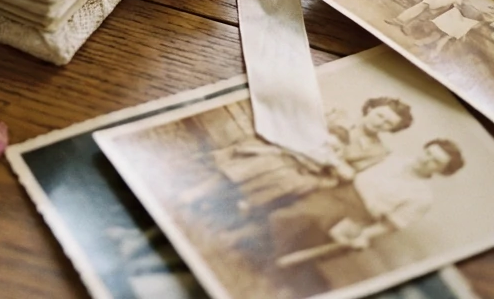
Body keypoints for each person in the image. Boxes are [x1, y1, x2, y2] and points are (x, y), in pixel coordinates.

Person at [190, 97, 413, 214]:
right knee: (269, 160)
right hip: (289, 150)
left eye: (388, 123)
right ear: (371, 109)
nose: (380, 122)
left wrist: (333, 160)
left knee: (288, 178)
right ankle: (203, 191)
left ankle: (221, 202)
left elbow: (348, 175)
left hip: (314, 172)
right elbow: (299, 126)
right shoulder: (338, 114)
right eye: (380, 115)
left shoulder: (377, 151)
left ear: (391, 130)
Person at [269, 139, 465, 260]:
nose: (426, 159)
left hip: (359, 214)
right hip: (340, 189)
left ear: (443, 171)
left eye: (435, 161)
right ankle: (258, 239)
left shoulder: (422, 197)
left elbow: (391, 224)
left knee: (307, 222)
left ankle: (265, 253)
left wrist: (365, 235)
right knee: (294, 207)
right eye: (428, 153)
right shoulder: (392, 158)